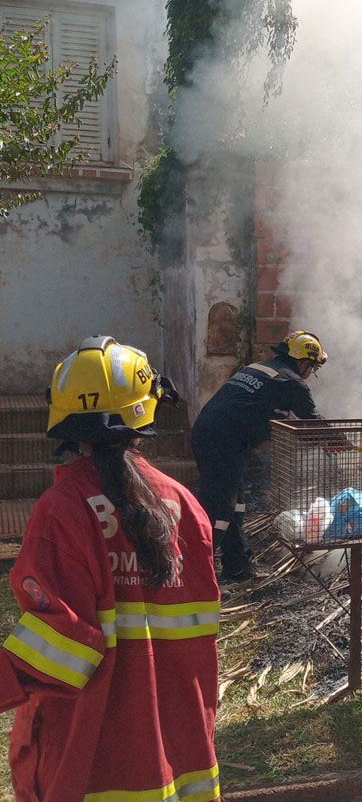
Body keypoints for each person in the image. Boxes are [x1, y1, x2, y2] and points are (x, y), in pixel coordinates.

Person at [0, 336, 221, 802]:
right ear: (147, 413)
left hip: (90, 751)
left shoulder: (62, 511)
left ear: (65, 422)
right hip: (178, 744)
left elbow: (61, 649)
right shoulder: (186, 507)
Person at [192, 329, 346, 583]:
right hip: (223, 443)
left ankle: (238, 569)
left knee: (235, 505)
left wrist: (320, 439)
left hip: (209, 434)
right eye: (313, 367)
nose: (311, 372)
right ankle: (192, 576)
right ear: (304, 362)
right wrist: (336, 439)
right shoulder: (292, 382)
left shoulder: (260, 369)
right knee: (219, 511)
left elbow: (277, 423)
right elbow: (311, 421)